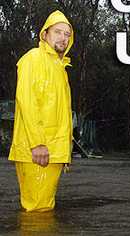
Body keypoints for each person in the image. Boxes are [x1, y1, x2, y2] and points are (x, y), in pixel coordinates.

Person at [8, 10, 74, 212]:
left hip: (52, 151)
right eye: (58, 32)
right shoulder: (34, 59)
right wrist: (37, 143)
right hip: (38, 150)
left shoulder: (60, 68)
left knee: (42, 208)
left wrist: (64, 149)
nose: (63, 37)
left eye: (67, 34)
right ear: (44, 34)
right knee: (38, 209)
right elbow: (26, 101)